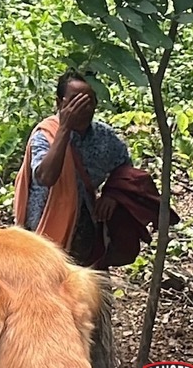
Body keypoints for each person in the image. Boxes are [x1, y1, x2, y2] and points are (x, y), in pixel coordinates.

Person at [13, 71, 131, 266]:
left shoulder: (104, 137)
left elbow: (125, 166)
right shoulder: (45, 135)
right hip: (45, 228)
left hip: (86, 228)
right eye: (76, 102)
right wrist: (64, 129)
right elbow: (45, 176)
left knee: (87, 286)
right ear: (60, 104)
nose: (83, 108)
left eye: (89, 101)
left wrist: (112, 194)